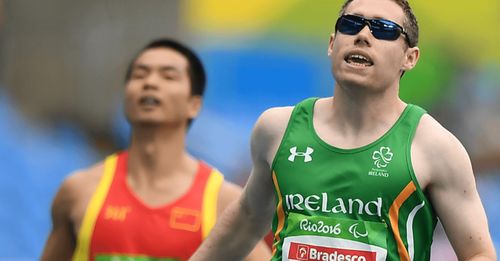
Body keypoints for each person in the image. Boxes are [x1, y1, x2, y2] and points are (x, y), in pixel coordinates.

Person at [190, 0, 498, 260]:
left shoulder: (435, 146)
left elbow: (478, 254)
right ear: (331, 44)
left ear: (410, 58)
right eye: (350, 25)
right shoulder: (277, 128)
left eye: (384, 29)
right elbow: (248, 220)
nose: (363, 35)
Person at [41, 38, 270, 261]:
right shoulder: (78, 192)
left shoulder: (224, 201)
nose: (149, 82)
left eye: (168, 76)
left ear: (194, 104)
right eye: (139, 74)